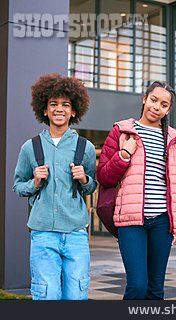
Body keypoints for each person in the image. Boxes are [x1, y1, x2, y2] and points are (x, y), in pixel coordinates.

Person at [97, 81, 176, 300]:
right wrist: (124, 155)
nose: (157, 107)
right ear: (144, 98)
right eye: (154, 100)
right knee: (137, 285)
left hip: (162, 222)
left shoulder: (174, 138)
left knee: (156, 289)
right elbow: (104, 177)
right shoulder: (122, 131)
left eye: (164, 104)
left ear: (168, 110)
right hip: (131, 220)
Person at [13, 73, 97, 300]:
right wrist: (35, 182)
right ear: (44, 110)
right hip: (43, 234)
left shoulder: (85, 147)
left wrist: (84, 180)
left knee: (77, 296)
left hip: (76, 234)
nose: (59, 109)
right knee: (47, 295)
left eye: (65, 105)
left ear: (74, 111)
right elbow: (18, 186)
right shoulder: (30, 147)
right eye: (53, 104)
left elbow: (91, 187)